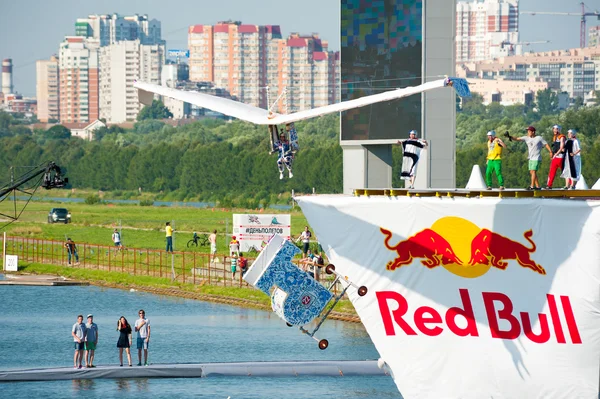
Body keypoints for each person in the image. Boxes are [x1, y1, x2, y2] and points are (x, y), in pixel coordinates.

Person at [506, 126, 552, 190]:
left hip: (536, 157)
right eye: (527, 131)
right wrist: (509, 136)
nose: (528, 132)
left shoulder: (539, 138)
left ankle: (532, 186)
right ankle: (538, 186)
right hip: (530, 158)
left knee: (533, 171)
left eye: (529, 131)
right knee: (531, 172)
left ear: (533, 132)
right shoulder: (526, 138)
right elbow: (517, 138)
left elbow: (546, 144)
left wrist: (550, 152)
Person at [547, 124, 566, 189]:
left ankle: (570, 185)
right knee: (552, 171)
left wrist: (556, 154)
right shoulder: (554, 137)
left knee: (565, 171)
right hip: (555, 157)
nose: (555, 130)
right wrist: (552, 154)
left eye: (557, 129)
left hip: (561, 157)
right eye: (554, 129)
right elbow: (555, 147)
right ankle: (549, 185)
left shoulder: (562, 137)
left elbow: (561, 148)